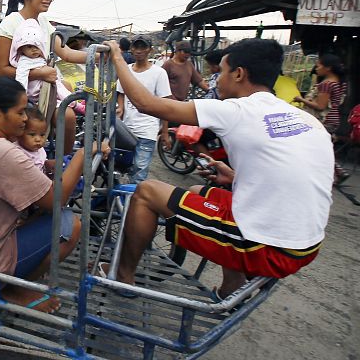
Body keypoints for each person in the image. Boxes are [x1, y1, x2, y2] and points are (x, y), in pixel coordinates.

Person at [103, 38, 333, 300]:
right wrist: (235, 177)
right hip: (305, 244)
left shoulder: (237, 109)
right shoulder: (300, 117)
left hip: (267, 246)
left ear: (239, 74)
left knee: (146, 191)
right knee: (199, 190)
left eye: (221, 71)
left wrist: (118, 57)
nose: (216, 78)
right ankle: (231, 287)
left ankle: (123, 277)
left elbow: (146, 103)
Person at [0, 76, 85, 313]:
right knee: (69, 224)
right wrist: (83, 155)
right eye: (20, 112)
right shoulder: (3, 151)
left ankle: (11, 282)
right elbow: (55, 201)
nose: (26, 119)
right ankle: (11, 287)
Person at [0, 0, 89, 154]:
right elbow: (0, 70)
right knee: (68, 116)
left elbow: (65, 52)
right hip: (20, 92)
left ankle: (62, 163)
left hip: (44, 89)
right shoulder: (10, 23)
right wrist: (39, 74)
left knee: (69, 99)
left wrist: (98, 56)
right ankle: (63, 165)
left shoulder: (44, 23)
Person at [115, 35, 172, 185]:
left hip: (147, 130)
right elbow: (120, 92)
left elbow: (165, 103)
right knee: (119, 169)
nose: (139, 51)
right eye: (136, 47)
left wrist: (165, 131)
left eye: (143, 47)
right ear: (131, 49)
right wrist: (121, 107)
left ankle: (135, 204)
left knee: (139, 171)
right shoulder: (126, 70)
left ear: (150, 50)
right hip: (126, 130)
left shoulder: (159, 73)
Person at [294, 53, 349, 184]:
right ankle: (338, 171)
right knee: (323, 146)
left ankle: (332, 172)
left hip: (323, 120)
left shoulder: (326, 84)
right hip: (334, 119)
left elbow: (320, 106)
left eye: (318, 66)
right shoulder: (340, 84)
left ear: (328, 68)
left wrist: (300, 99)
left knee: (313, 146)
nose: (316, 68)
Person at [14, 106, 49, 172]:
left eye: (42, 135)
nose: (38, 139)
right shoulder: (17, 152)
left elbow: (41, 162)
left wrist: (47, 164)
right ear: (20, 133)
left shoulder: (39, 149)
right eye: (32, 134)